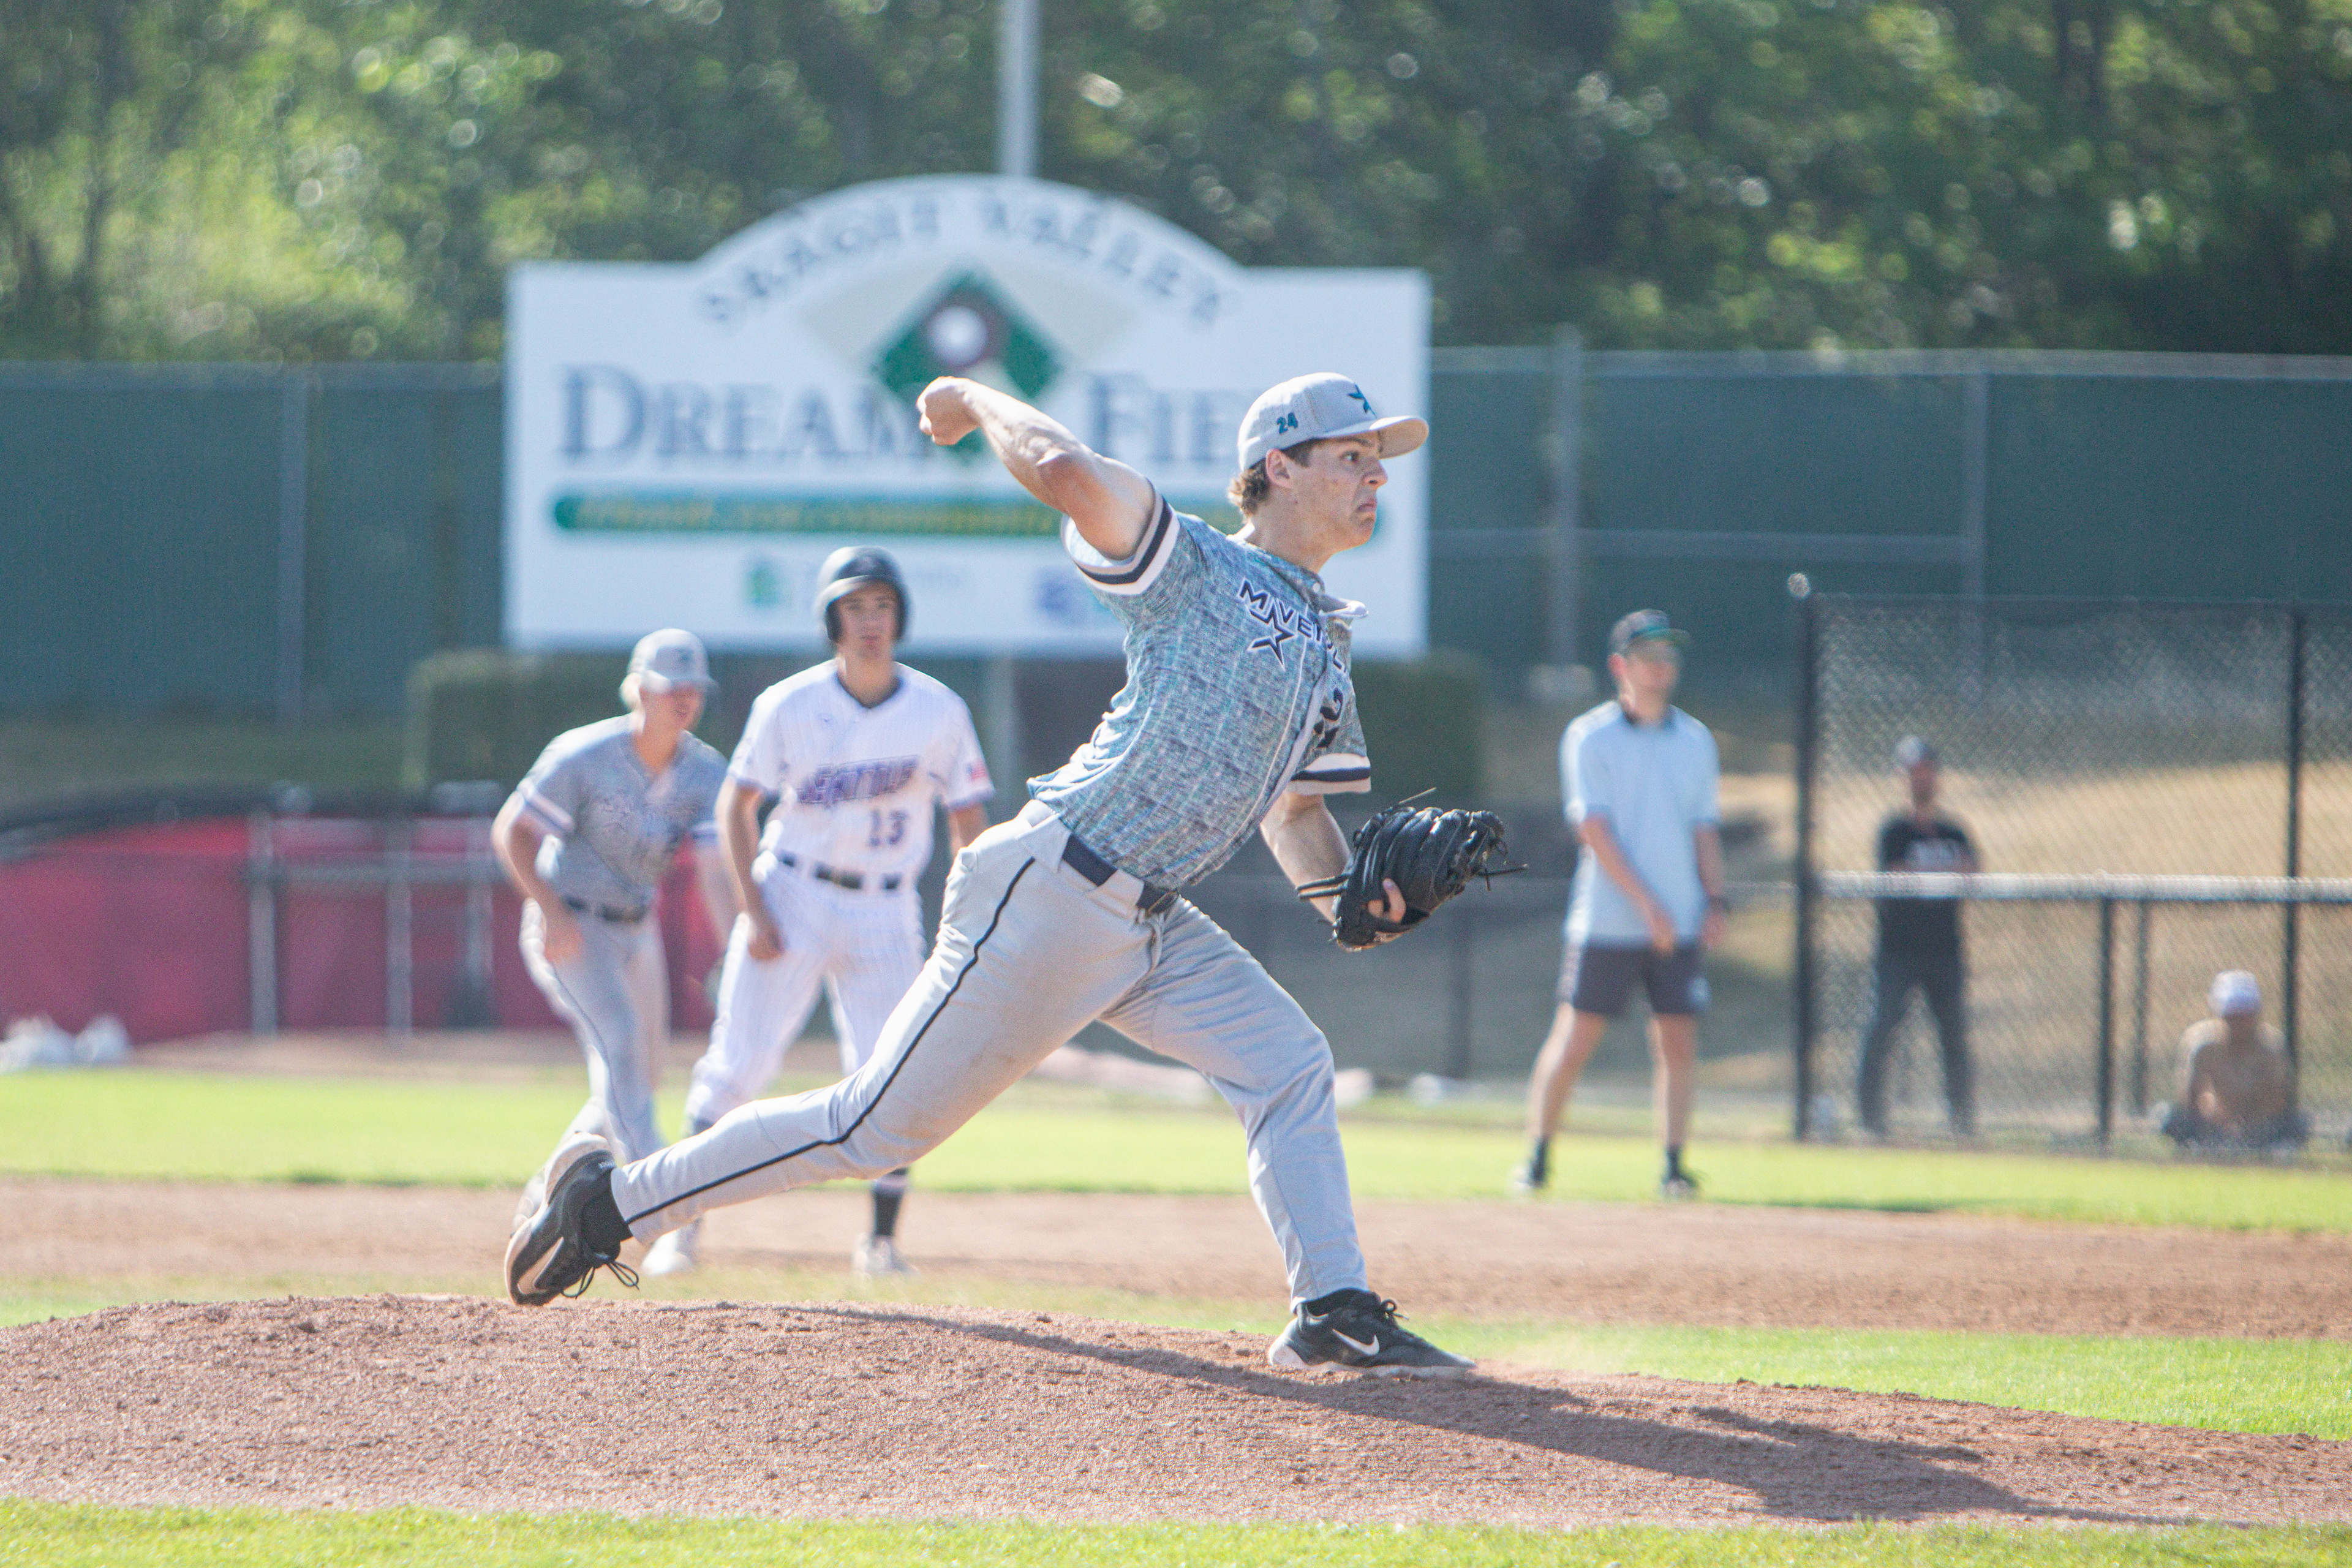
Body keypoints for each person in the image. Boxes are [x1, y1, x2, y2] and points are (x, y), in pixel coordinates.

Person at [506, 369, 1479, 1376]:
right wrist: (973, 400)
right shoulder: (1196, 564)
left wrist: (1354, 905)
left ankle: (1332, 1309)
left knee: (1289, 1062)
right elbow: (1062, 468)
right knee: (872, 1129)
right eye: (1352, 456)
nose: (1376, 477)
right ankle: (609, 1207)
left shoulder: (1328, 636)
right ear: (1279, 467)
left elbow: (1297, 811)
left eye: (1378, 461)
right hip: (1055, 886)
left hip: (1151, 924)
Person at [643, 546, 993, 1281]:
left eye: (882, 605)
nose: (870, 621)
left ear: (900, 616)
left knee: (893, 1074)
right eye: (855, 606)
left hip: (886, 905)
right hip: (794, 892)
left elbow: (968, 820)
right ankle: (680, 1229)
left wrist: (967, 918)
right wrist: (755, 908)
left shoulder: (938, 709)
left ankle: (881, 1244)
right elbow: (736, 807)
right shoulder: (790, 704)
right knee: (736, 1066)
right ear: (832, 619)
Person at [491, 629, 736, 1212]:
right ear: (640, 691)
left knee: (639, 1074)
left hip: (636, 927)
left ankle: (545, 1195)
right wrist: (550, 910)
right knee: (620, 1043)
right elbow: (512, 832)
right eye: (671, 686)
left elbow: (714, 871)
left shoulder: (705, 771)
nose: (684, 698)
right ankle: (656, 1194)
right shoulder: (584, 755)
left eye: (693, 688)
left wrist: (735, 947)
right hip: (573, 923)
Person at [1513, 610, 1725, 1202]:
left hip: (1679, 920)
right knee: (1575, 1039)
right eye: (1648, 656)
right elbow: (1594, 831)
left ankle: (1674, 1166)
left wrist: (1713, 899)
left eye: (1668, 656)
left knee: (1677, 1041)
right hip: (1608, 920)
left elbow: (1704, 827)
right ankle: (1537, 1159)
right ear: (1620, 666)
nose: (1661, 667)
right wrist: (1648, 906)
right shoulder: (1590, 736)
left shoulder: (1695, 740)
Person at [1854, 736, 1978, 1140]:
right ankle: (1871, 1120)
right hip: (1899, 951)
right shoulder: (1894, 832)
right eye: (1912, 772)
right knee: (1882, 1027)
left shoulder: (1954, 831)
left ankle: (1962, 1122)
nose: (1919, 779)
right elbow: (1896, 875)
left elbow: (1971, 871)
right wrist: (1942, 876)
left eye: (1925, 771)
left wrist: (1927, 876)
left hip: (1945, 949)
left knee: (1953, 1034)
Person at [2158, 970, 2308, 1152]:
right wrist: (2216, 1117)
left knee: (2298, 1123)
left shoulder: (2271, 1048)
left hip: (2259, 1127)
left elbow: (2278, 1100)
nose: (2238, 1024)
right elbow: (2189, 1099)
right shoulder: (2203, 1046)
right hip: (2214, 1124)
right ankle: (2195, 1152)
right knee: (2169, 1117)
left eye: (2245, 1016)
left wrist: (2246, 1125)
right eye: (2232, 1016)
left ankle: (2273, 1153)